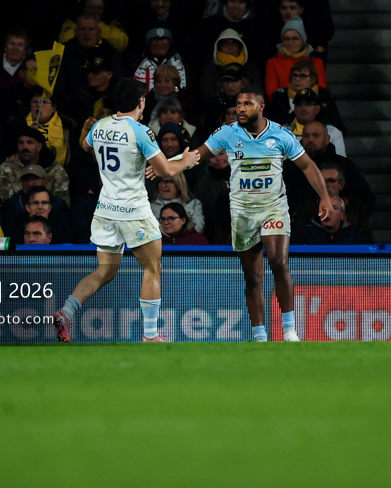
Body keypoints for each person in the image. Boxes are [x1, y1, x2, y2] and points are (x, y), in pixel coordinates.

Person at [52, 79, 200, 343]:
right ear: (141, 102)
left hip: (106, 211)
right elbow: (165, 170)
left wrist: (88, 127)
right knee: (152, 268)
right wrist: (186, 161)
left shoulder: (100, 125)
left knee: (105, 271)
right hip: (134, 212)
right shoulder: (140, 131)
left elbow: (85, 147)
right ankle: (151, 335)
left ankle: (67, 310)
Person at [195, 87, 333, 342]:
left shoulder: (281, 134)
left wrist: (324, 197)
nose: (241, 109)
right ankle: (260, 335)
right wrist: (171, 164)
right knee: (253, 275)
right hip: (243, 212)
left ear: (260, 107)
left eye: (247, 104)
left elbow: (307, 165)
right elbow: (197, 155)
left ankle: (289, 330)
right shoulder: (228, 133)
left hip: (274, 207)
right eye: (238, 104)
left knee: (279, 262)